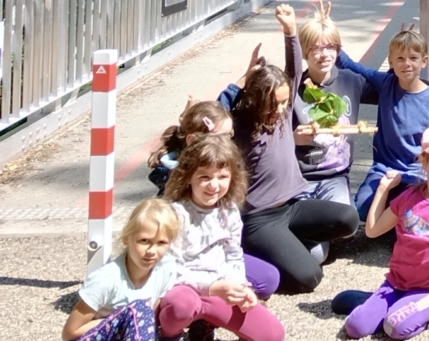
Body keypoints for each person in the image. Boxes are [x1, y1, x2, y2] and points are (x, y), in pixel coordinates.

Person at [220, 4, 359, 293]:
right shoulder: (243, 126)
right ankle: (242, 252)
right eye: (275, 103)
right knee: (310, 277)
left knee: (348, 219)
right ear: (257, 100)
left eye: (286, 102)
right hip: (260, 218)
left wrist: (291, 31)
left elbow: (294, 70)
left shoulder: (282, 116)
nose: (283, 109)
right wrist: (243, 79)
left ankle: (284, 245)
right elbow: (218, 113)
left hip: (292, 207)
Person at [344, 123, 429, 339]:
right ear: (423, 160)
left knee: (395, 327)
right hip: (397, 283)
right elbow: (373, 231)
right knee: (355, 328)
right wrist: (383, 190)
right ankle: (382, 303)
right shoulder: (409, 197)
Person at [157, 136, 286, 341]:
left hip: (218, 288)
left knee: (272, 334)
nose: (213, 185)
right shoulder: (175, 213)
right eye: (205, 177)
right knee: (183, 305)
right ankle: (168, 335)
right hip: (184, 289)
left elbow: (233, 255)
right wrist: (210, 288)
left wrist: (241, 288)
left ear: (232, 177)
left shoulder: (229, 210)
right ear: (188, 177)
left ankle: (205, 324)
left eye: (222, 177)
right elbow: (168, 269)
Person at [334, 24, 429, 221]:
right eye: (400, 59)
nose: (407, 64)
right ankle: (396, 213)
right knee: (362, 209)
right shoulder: (386, 83)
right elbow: (350, 64)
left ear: (424, 61)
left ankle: (400, 217)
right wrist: (331, 37)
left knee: (412, 214)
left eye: (413, 58)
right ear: (391, 62)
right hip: (384, 169)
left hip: (416, 172)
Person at [61, 198, 181, 341]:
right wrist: (119, 319)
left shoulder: (166, 269)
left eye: (161, 243)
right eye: (144, 241)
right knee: (139, 309)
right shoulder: (106, 279)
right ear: (127, 238)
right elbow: (70, 333)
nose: (152, 251)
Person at [291, 2, 374, 207]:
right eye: (316, 48)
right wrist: (292, 139)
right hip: (299, 178)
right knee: (307, 228)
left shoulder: (352, 80)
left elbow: (391, 88)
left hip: (336, 176)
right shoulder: (292, 88)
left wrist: (399, 62)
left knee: (344, 222)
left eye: (330, 47)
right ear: (304, 52)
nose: (324, 54)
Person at [147, 99, 234, 197]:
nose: (227, 142)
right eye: (220, 137)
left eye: (229, 135)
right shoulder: (178, 179)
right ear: (192, 140)